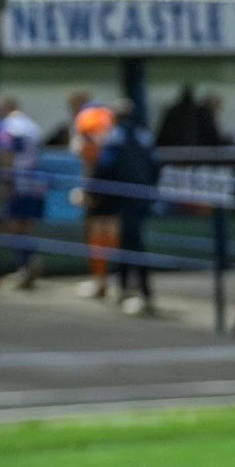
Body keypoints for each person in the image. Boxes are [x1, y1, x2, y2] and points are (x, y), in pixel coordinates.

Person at [89, 103, 161, 315]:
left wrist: (93, 193)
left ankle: (142, 293)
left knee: (132, 244)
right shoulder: (144, 137)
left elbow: (104, 167)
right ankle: (125, 289)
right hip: (142, 197)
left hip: (121, 198)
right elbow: (155, 166)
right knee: (128, 242)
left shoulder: (114, 138)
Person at [0, 96, 45, 288]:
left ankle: (25, 265)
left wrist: (6, 183)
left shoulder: (6, 127)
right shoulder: (32, 127)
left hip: (19, 183)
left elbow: (7, 155)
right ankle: (30, 261)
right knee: (28, 227)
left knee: (15, 226)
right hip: (36, 183)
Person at [74, 97, 120, 300]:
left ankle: (100, 281)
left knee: (97, 233)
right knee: (113, 231)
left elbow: (82, 154)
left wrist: (85, 190)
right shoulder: (110, 120)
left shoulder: (85, 120)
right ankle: (115, 281)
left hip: (96, 182)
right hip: (116, 184)